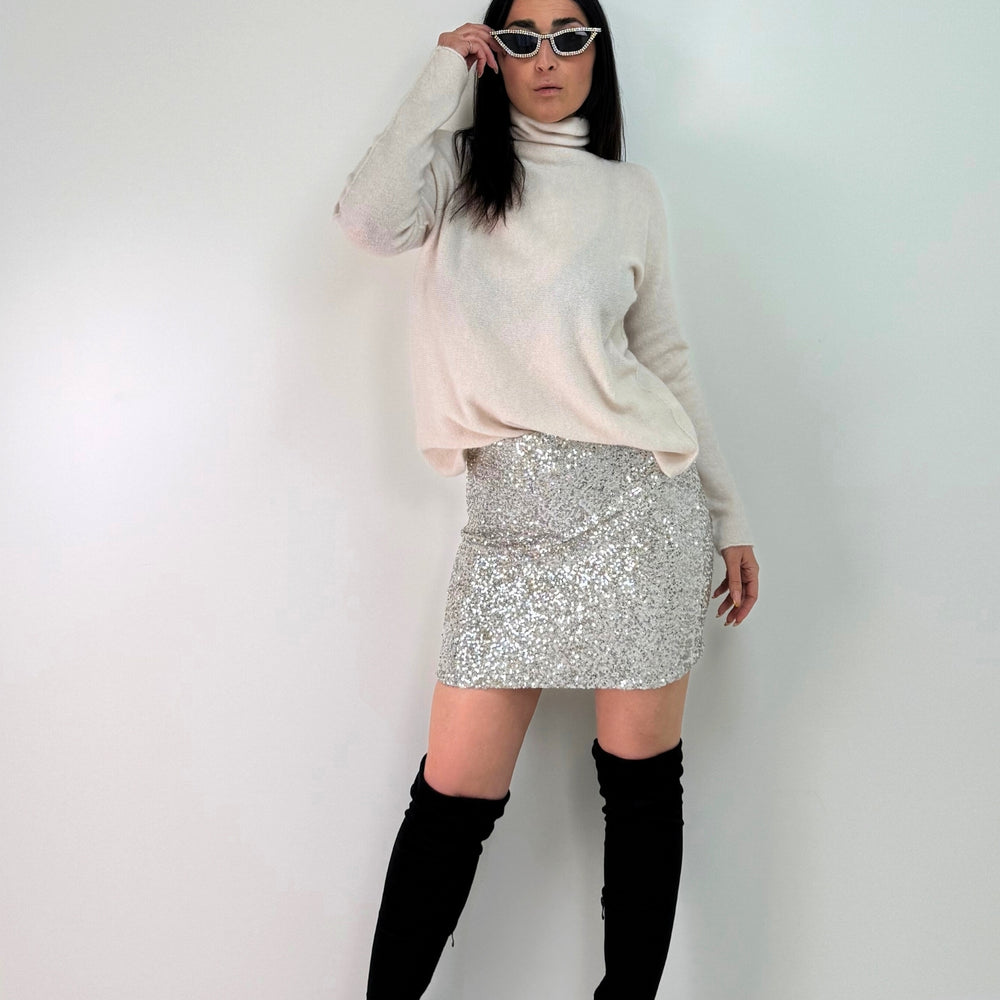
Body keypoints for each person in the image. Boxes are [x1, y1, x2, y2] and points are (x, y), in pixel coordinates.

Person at [333, 1, 760, 996]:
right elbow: (364, 219)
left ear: (596, 54)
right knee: (450, 801)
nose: (547, 57)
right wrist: (444, 75)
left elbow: (663, 356)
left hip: (639, 512)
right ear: (496, 56)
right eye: (520, 39)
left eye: (570, 36)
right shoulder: (453, 177)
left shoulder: (630, 194)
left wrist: (729, 512)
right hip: (509, 525)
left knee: (641, 794)